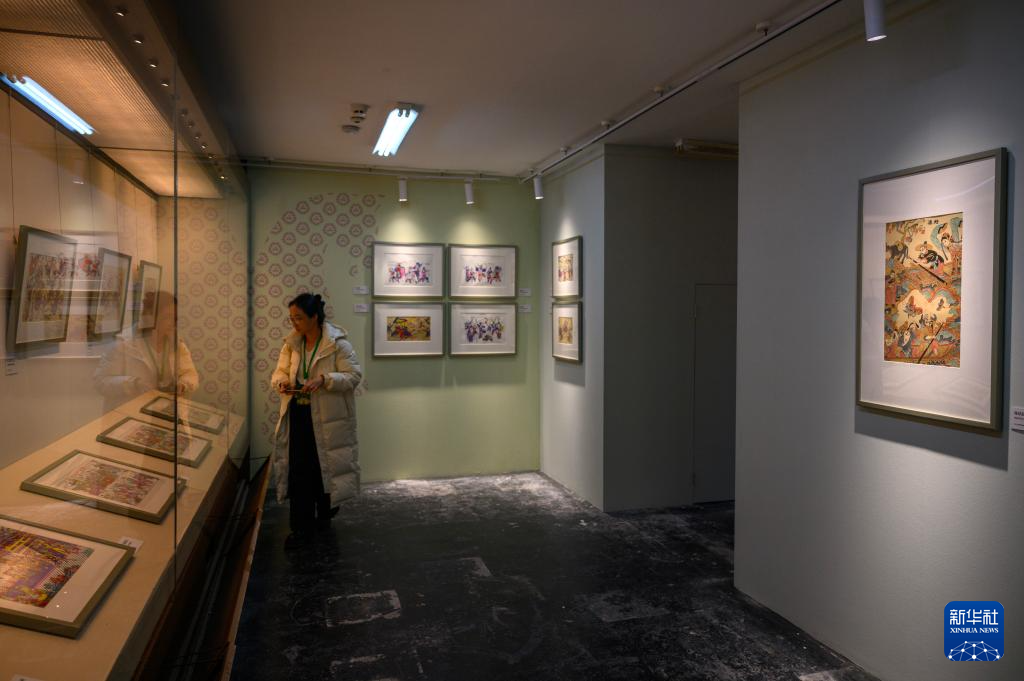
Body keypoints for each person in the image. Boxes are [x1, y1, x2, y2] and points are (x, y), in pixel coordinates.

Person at [270, 292, 362, 546]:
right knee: (299, 470)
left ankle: (325, 513)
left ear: (314, 317)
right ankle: (300, 527)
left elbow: (354, 376)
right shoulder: (292, 344)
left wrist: (324, 379)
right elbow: (279, 372)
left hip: (328, 417)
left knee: (323, 466)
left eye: (298, 318)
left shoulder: (337, 344)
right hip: (298, 416)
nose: (293, 323)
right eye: (291, 318)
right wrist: (282, 382)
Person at [93, 290, 199, 413]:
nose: (173, 323)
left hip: (165, 412)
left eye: (174, 318)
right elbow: (101, 382)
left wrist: (183, 384)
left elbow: (190, 374)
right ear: (150, 317)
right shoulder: (122, 343)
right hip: (129, 415)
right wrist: (133, 384)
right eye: (167, 317)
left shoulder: (177, 345)